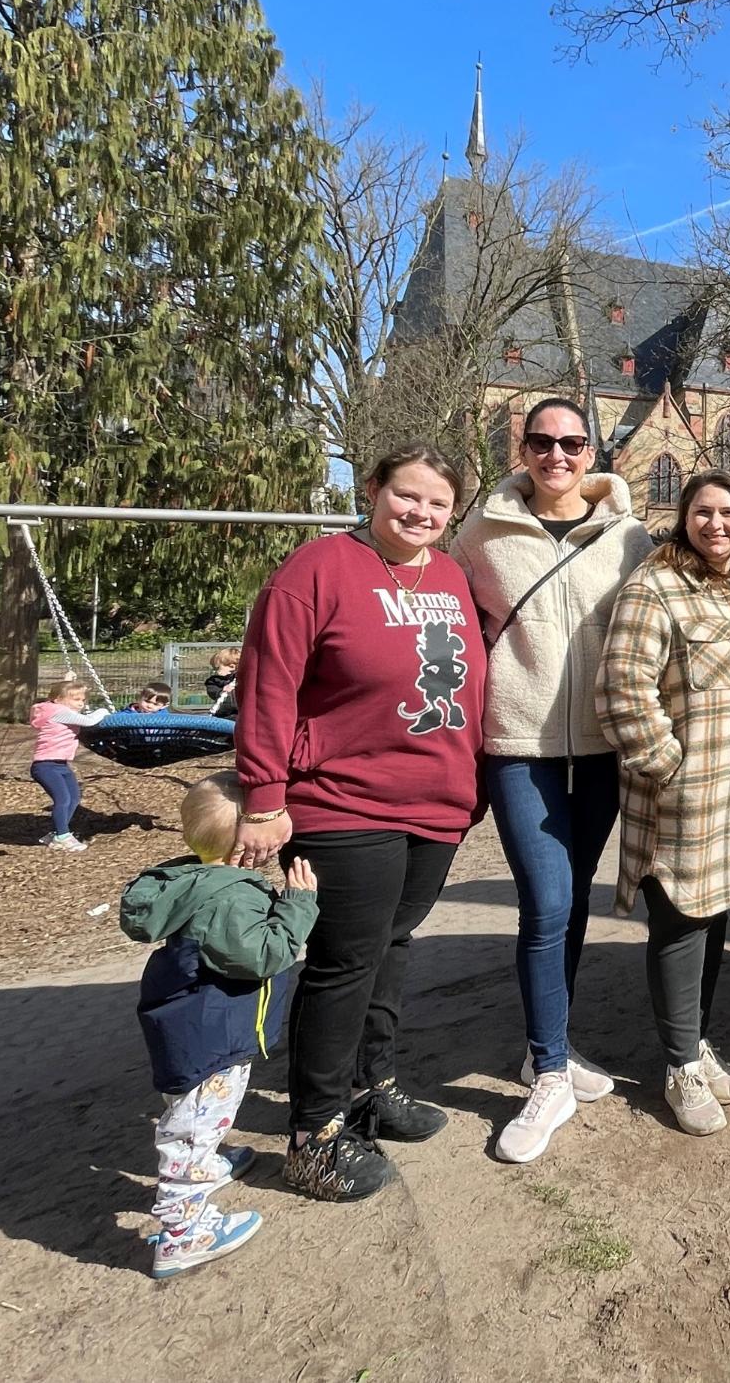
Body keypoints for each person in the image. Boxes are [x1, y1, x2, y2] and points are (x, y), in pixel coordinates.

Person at [231, 441, 486, 1202]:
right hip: (344, 800)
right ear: (372, 490)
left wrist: (472, 786)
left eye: (437, 504)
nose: (420, 513)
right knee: (345, 961)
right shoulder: (318, 570)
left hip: (436, 802)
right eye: (406, 496)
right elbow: (269, 685)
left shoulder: (449, 577)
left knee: (393, 948)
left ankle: (370, 1086)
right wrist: (263, 796)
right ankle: (313, 1132)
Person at [456, 397, 654, 1164]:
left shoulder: (630, 537)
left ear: (593, 450)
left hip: (601, 748)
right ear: (523, 447)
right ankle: (548, 1072)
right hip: (520, 746)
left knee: (568, 903)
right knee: (546, 901)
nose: (557, 455)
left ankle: (554, 1044)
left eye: (572, 442)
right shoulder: (482, 534)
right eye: (542, 441)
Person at [596, 469, 730, 1138]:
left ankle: (695, 1042)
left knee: (713, 917)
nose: (716, 525)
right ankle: (678, 1065)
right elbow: (622, 687)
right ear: (683, 518)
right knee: (680, 924)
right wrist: (666, 765)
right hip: (682, 796)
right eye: (702, 512)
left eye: (728, 513)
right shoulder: (654, 584)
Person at [120, 773, 319, 1278]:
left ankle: (204, 1164)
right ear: (249, 844)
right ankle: (184, 1234)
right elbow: (265, 955)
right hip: (213, 1035)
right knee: (189, 1130)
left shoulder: (194, 882)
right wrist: (298, 906)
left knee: (195, 1117)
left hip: (189, 1026)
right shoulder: (230, 899)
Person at [29, 676, 108, 851]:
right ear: (58, 700)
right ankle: (63, 836)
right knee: (63, 799)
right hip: (45, 765)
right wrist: (104, 710)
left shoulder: (59, 710)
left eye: (82, 699)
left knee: (74, 798)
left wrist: (67, 680)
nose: (81, 703)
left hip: (61, 765)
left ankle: (58, 832)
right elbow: (89, 721)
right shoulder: (58, 712)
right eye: (75, 699)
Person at [205, 648, 242, 718]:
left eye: (237, 666)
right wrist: (221, 691)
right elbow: (212, 691)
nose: (233, 669)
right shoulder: (215, 680)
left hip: (239, 709)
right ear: (218, 667)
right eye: (230, 666)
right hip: (224, 711)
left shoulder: (237, 677)